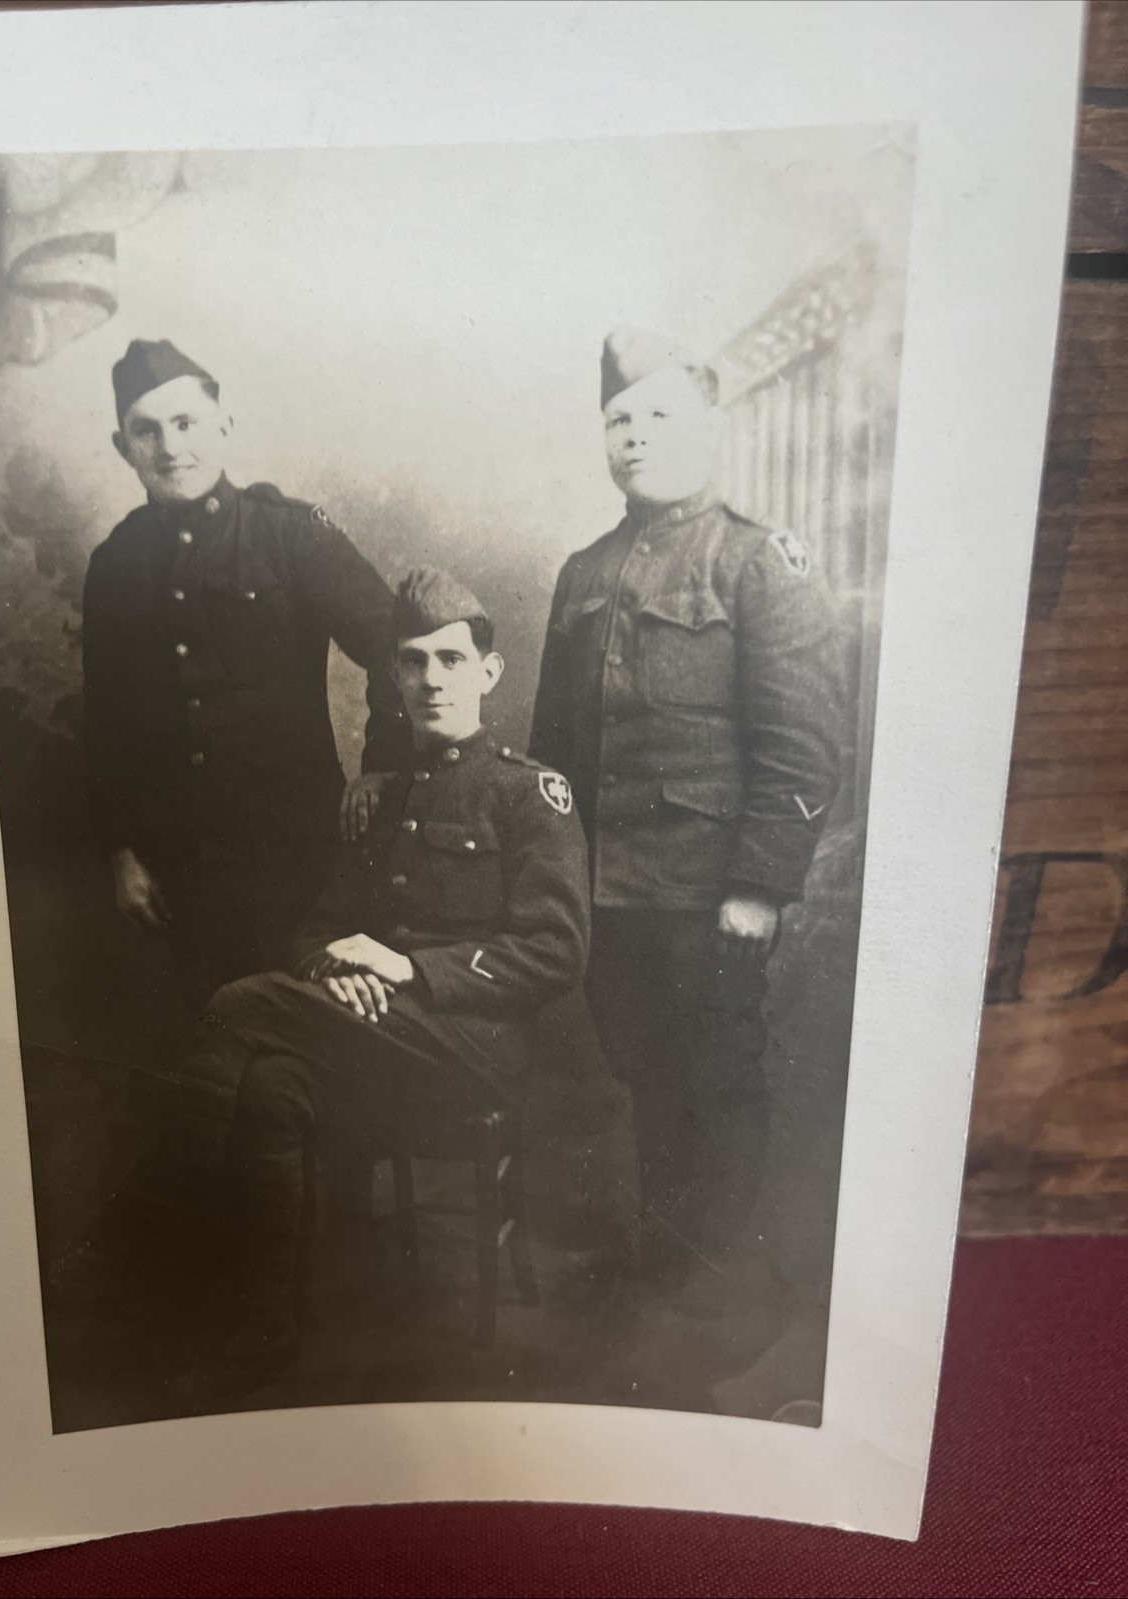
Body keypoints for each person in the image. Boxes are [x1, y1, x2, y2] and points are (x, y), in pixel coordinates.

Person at [172, 567, 591, 1378]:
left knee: (237, 1004)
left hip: (475, 1050)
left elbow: (555, 951)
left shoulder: (529, 794)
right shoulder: (384, 800)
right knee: (270, 1085)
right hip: (373, 1036)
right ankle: (267, 1316)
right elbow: (317, 926)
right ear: (394, 677)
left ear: (488, 672)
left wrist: (407, 967)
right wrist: (335, 970)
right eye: (412, 661)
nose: (431, 679)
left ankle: (179, 1244)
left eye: (450, 659)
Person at [529, 324, 844, 1302]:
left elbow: (801, 747)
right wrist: (552, 879)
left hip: (708, 896)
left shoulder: (758, 563)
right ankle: (668, 1272)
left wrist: (758, 888)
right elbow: (549, 756)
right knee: (645, 1075)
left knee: (716, 1080)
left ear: (710, 426)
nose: (634, 434)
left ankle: (718, 1293)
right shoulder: (583, 573)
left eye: (659, 414)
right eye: (617, 419)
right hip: (605, 893)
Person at [83, 338, 408, 1007]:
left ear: (223, 427)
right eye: (147, 431)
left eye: (186, 424)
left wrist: (383, 765)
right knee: (208, 1039)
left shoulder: (289, 531)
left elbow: (395, 643)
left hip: (301, 859)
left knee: (310, 1036)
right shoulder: (116, 563)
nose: (170, 447)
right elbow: (106, 721)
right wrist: (122, 853)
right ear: (122, 447)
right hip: (180, 872)